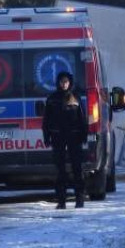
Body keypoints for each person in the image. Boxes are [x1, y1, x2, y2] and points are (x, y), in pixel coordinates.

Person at [42, 71, 88, 209]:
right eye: (62, 82)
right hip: (58, 137)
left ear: (70, 83)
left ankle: (79, 199)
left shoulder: (76, 98)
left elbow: (82, 118)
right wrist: (46, 136)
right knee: (60, 170)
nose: (64, 84)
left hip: (74, 137)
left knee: (77, 169)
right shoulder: (52, 99)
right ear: (58, 83)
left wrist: (84, 134)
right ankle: (61, 201)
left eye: (66, 82)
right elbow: (46, 120)